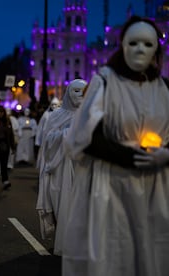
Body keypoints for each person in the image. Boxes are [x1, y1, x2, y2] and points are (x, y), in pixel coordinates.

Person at [62, 16, 169, 276]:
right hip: (113, 185)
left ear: (156, 49)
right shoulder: (105, 82)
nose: (140, 50)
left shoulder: (163, 88)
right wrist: (131, 156)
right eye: (133, 43)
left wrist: (165, 155)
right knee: (115, 253)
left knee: (150, 254)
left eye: (147, 44)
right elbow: (86, 136)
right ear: (122, 45)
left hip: (155, 188)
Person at [35, 79, 87, 254]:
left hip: (84, 168)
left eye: (83, 91)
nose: (80, 95)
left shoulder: (93, 114)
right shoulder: (56, 116)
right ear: (68, 93)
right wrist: (67, 134)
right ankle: (65, 243)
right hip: (60, 168)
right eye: (76, 91)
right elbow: (47, 141)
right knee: (61, 207)